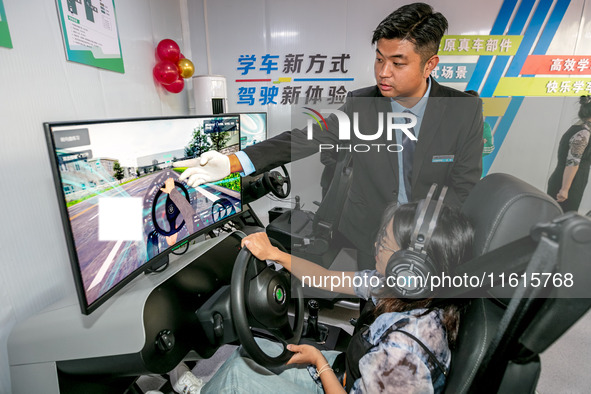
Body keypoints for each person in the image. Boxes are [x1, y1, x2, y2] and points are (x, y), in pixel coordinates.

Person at [177, 3, 483, 271]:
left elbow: (464, 186)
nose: (383, 72)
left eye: (398, 63)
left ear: (430, 64)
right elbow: (305, 137)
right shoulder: (361, 104)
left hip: (430, 240)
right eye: (379, 59)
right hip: (373, 235)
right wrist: (234, 162)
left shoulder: (464, 110)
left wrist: (425, 234)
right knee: (372, 311)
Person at [200, 198, 474, 393]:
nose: (376, 246)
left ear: (412, 268)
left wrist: (319, 362)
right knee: (246, 354)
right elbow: (325, 278)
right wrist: (275, 254)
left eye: (385, 243)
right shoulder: (403, 288)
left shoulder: (405, 349)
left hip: (341, 383)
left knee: (235, 380)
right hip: (350, 372)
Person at [547, 95, 591, 212]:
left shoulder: (579, 127)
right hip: (569, 182)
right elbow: (572, 162)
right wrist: (565, 189)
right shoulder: (583, 133)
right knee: (561, 219)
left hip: (569, 179)